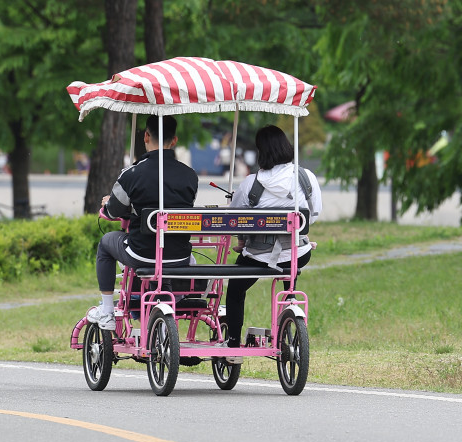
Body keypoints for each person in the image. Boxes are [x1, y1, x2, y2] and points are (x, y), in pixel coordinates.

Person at [220, 125, 322, 362]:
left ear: (260, 152)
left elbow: (232, 220)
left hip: (259, 256)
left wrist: (243, 242)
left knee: (236, 289)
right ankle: (289, 298)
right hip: (298, 252)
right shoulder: (306, 178)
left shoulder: (250, 184)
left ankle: (233, 344)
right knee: (290, 263)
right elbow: (314, 214)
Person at [87, 115, 198, 331]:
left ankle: (107, 311)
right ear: (174, 140)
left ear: (146, 136)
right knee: (164, 249)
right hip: (179, 255)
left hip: (142, 253)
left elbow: (113, 211)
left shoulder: (132, 174)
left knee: (106, 242)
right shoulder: (190, 176)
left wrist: (110, 204)